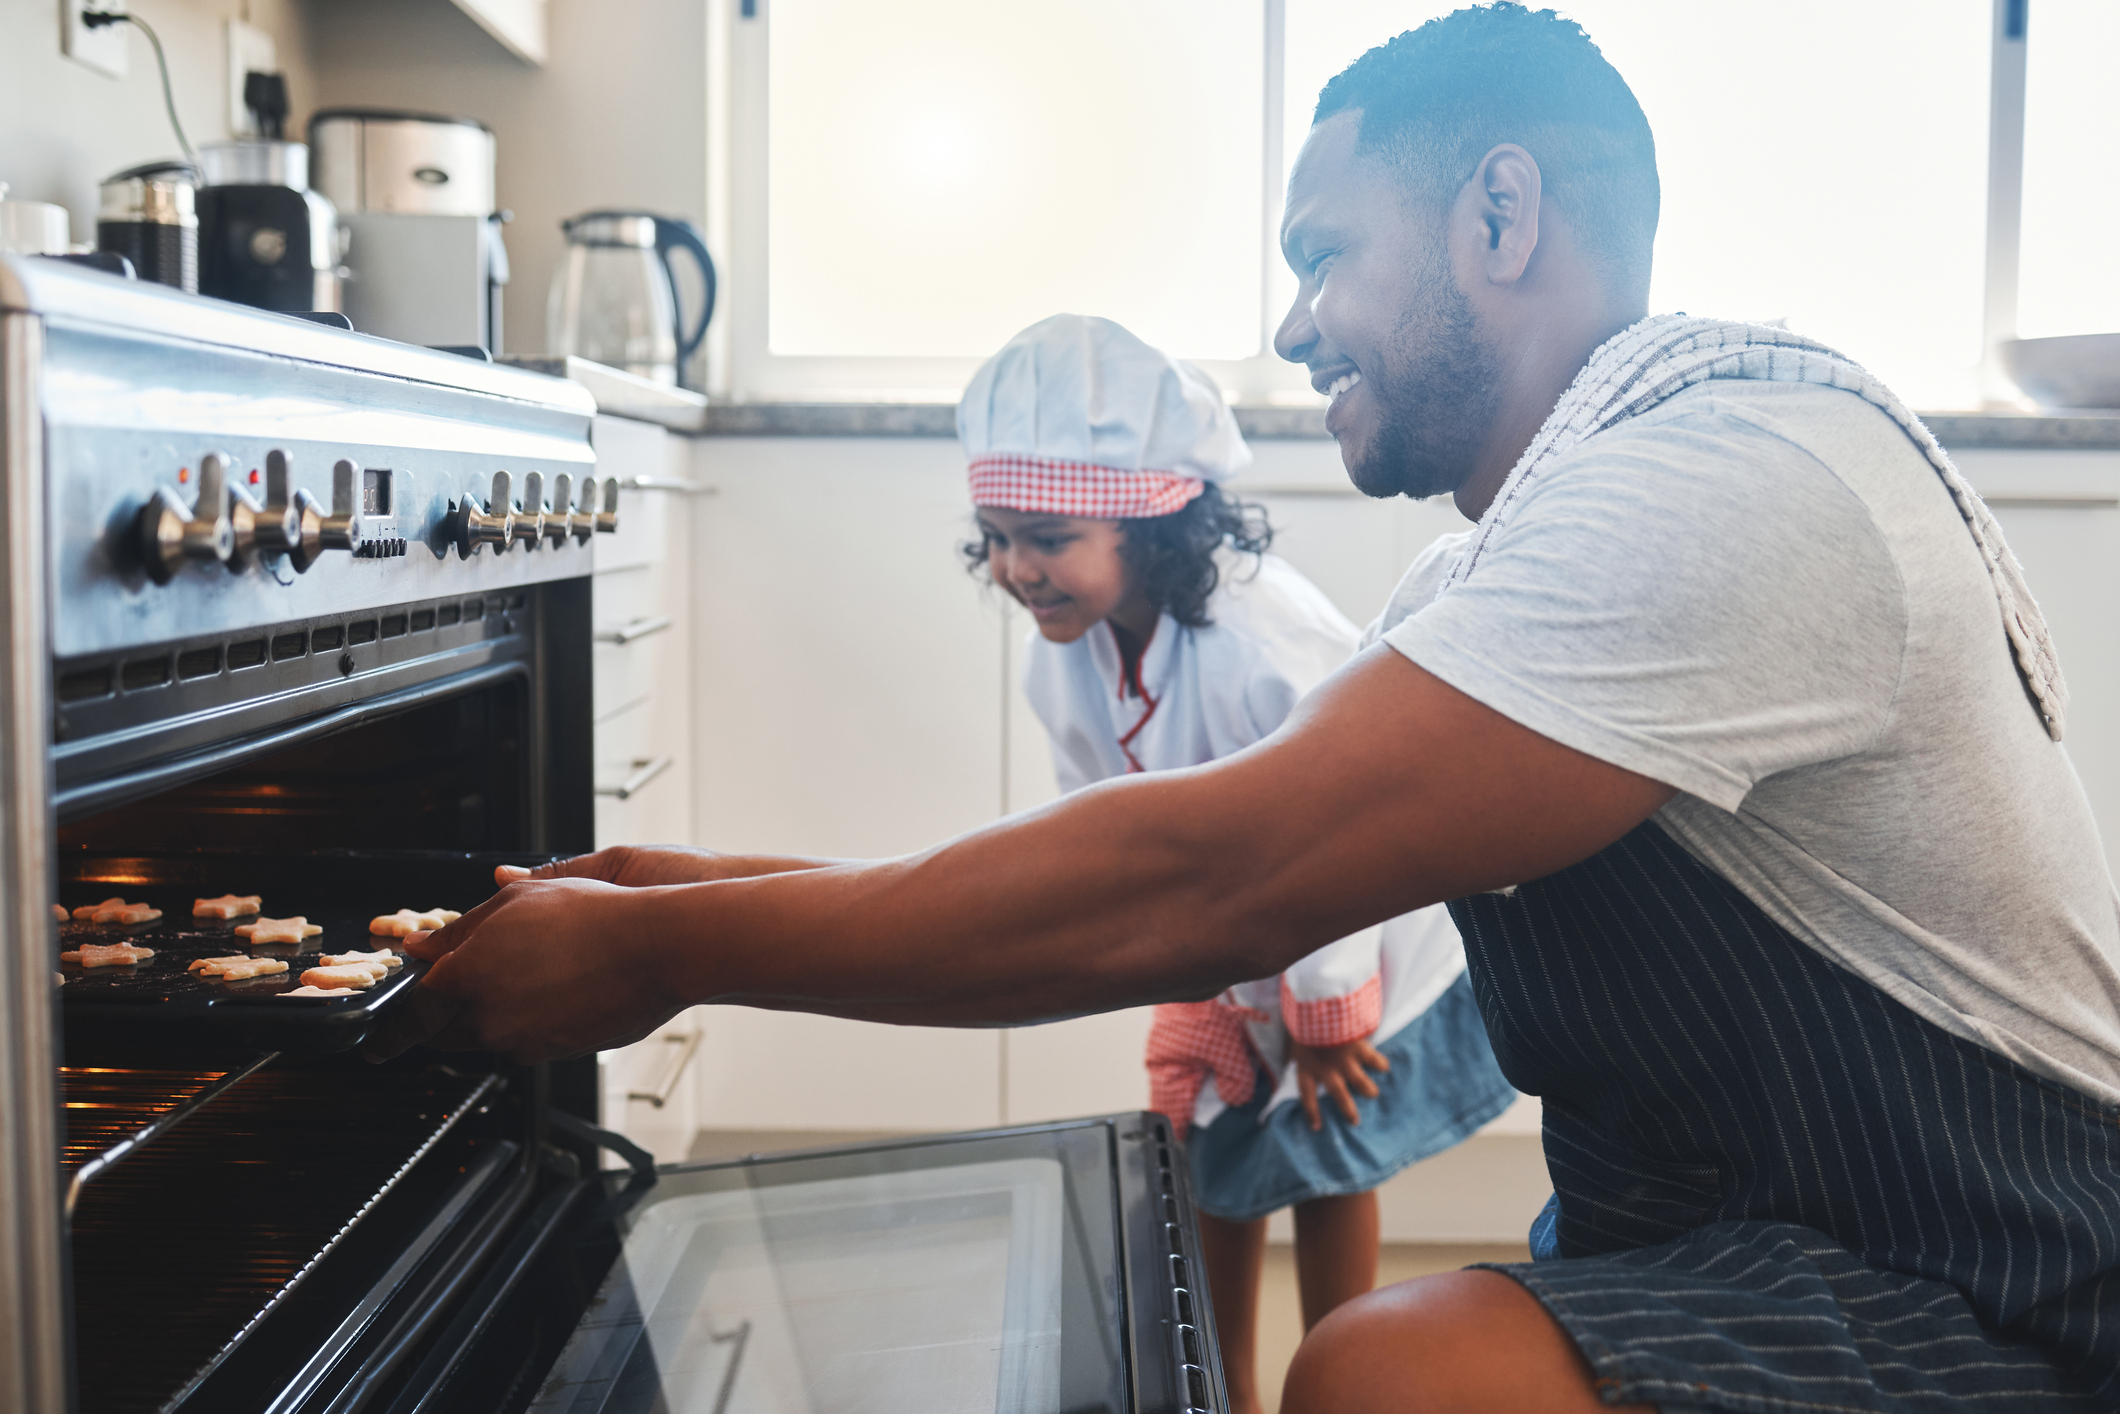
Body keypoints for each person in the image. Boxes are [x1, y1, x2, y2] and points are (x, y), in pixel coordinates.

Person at [375, 6, 2120, 1411]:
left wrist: (668, 957)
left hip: (1999, 1268)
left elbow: (1217, 870)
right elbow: (1113, 847)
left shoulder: (1729, 475)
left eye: (1323, 252)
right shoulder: (1513, 567)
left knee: (1378, 1369)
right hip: (1756, 1234)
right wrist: (675, 885)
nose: (1295, 326)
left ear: (1499, 215)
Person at [957, 312, 1517, 1414]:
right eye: (995, 536)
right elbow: (1107, 844)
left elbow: (1345, 830)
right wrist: (1186, 988)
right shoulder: (1060, 662)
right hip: (1237, 938)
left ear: (1144, 522)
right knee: (1210, 1163)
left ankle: (1331, 1378)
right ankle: (1223, 1391)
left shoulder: (1263, 642)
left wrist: (1321, 1009)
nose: (1018, 569)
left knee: (1327, 1151)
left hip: (1356, 935)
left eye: (1048, 536)